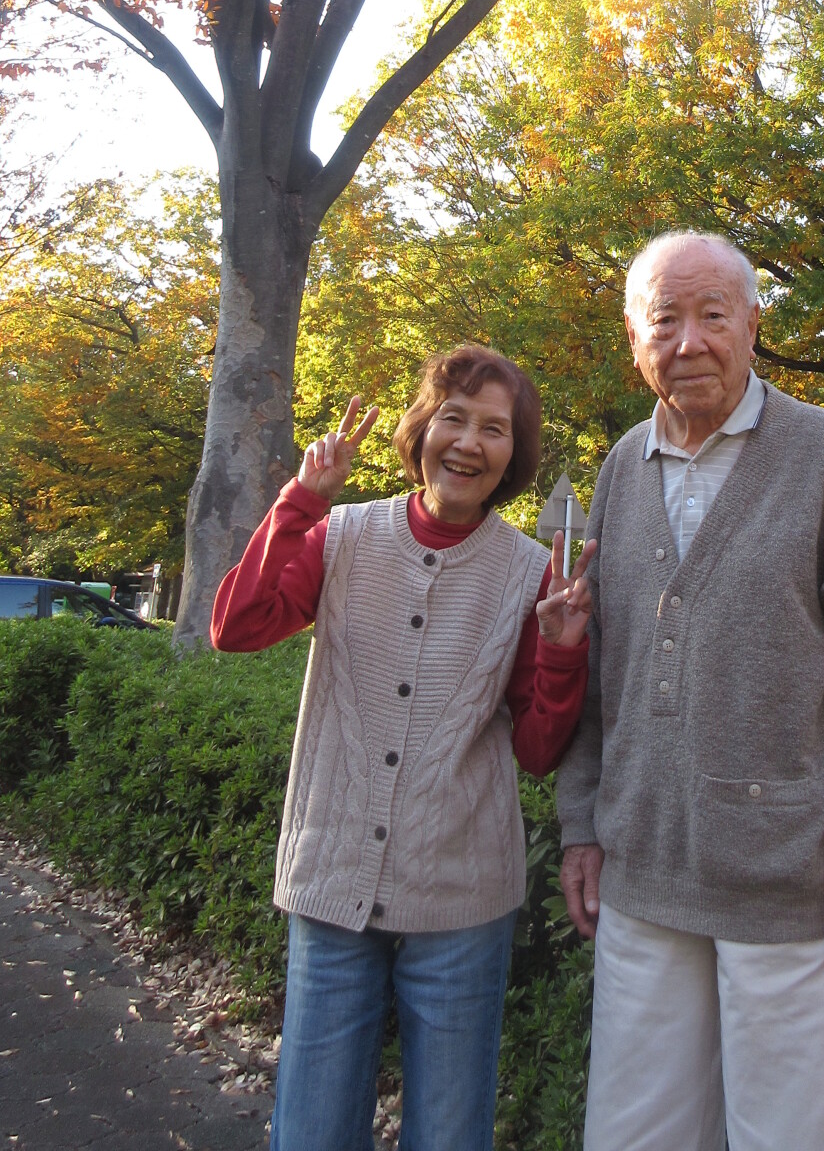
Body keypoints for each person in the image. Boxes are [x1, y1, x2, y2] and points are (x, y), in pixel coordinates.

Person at [557, 231, 824, 1151]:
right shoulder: (619, 467)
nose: (689, 341)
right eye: (665, 320)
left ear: (754, 325)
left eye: (712, 316)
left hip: (792, 892)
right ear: (633, 338)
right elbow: (595, 668)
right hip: (640, 878)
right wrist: (579, 824)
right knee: (633, 1135)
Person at [211, 345, 594, 1151]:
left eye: (494, 429)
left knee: (449, 1132)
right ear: (421, 430)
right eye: (454, 417)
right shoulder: (341, 536)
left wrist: (561, 651)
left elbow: (536, 748)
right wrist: (298, 505)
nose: (469, 442)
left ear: (512, 456)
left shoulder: (530, 572)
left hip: (462, 898)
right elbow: (236, 629)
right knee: (312, 1130)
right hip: (332, 879)